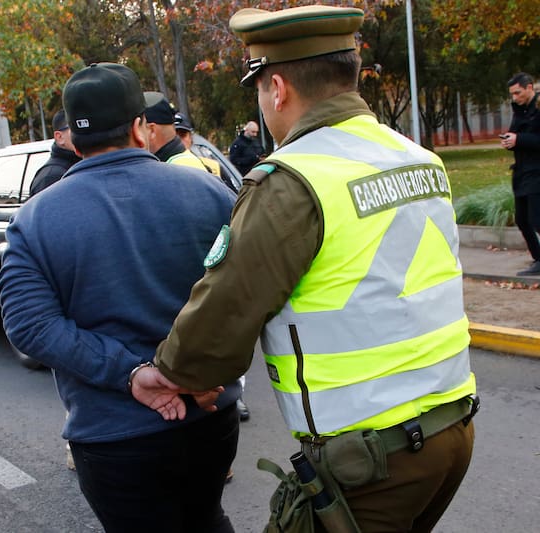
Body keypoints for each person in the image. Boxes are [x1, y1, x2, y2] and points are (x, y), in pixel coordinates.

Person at [132, 5, 478, 532]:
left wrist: (174, 374)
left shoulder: (292, 180)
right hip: (450, 429)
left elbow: (227, 307)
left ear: (277, 88)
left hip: (372, 458)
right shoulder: (417, 158)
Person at [0, 62, 240, 533]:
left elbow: (29, 325)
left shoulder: (35, 219)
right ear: (139, 126)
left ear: (73, 139)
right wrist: (201, 373)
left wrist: (132, 375)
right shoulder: (209, 192)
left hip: (112, 434)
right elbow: (246, 293)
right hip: (208, 415)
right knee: (206, 519)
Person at [501, 72, 540, 275]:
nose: (514, 98)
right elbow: (516, 133)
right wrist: (510, 140)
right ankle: (538, 258)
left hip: (537, 172)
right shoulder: (520, 111)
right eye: (512, 94)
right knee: (522, 220)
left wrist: (519, 139)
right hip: (522, 171)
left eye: (518, 93)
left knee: (537, 219)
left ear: (529, 88)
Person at [175, 112, 241, 194]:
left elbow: (233, 198)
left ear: (191, 137)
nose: (179, 140)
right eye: (174, 136)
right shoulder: (161, 169)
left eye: (182, 135)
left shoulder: (213, 168)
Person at [28, 109, 81, 197]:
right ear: (59, 137)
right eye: (76, 128)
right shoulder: (51, 177)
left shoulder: (85, 165)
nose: (82, 133)